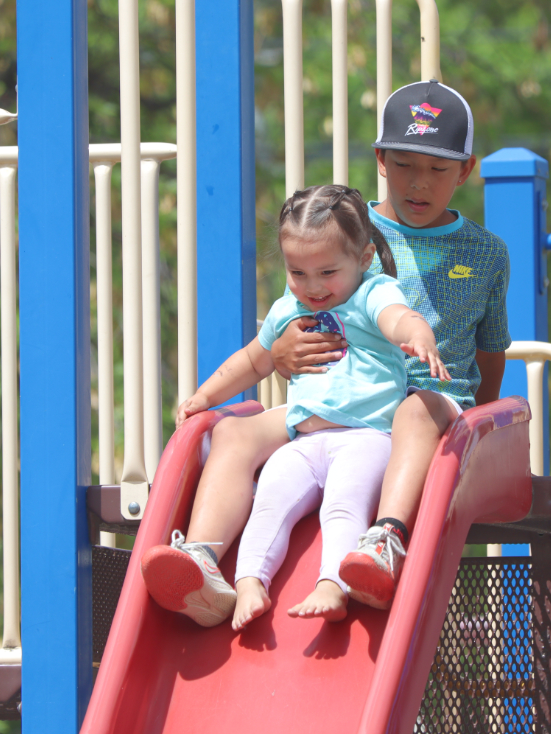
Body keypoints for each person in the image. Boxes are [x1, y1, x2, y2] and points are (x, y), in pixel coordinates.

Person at [146, 78, 509, 622]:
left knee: (416, 407)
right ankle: (203, 556)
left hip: (427, 404)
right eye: (406, 164)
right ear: (382, 160)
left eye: (438, 169)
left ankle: (385, 538)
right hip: (331, 402)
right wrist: (281, 352)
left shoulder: (484, 252)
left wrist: (480, 421)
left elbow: (490, 348)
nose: (419, 183)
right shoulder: (344, 225)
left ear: (465, 170)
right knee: (232, 430)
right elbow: (281, 331)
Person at [142, 185, 448, 628]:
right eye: (297, 273)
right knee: (269, 501)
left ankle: (333, 585)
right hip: (303, 439)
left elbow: (397, 316)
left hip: (366, 437)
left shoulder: (371, 292)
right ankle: (239, 581)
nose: (313, 287)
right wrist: (205, 397)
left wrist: (417, 334)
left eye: (327, 272)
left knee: (343, 505)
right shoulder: (289, 308)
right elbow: (252, 359)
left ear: (362, 259)